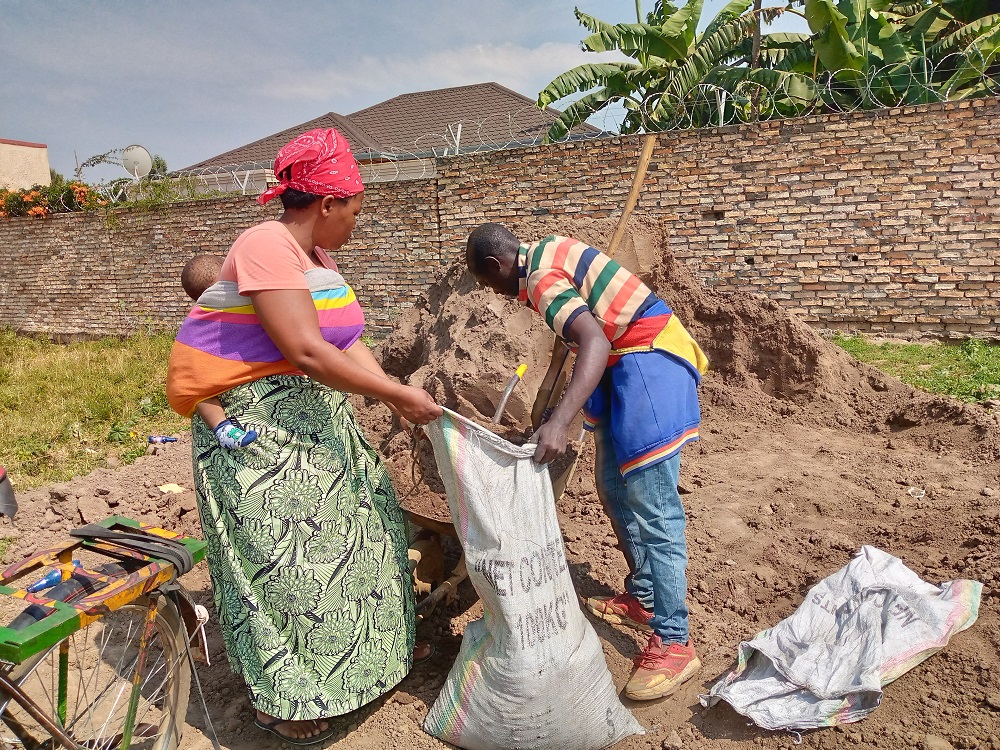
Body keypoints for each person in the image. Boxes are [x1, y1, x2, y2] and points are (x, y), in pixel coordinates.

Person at [167, 128, 441, 745]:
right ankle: (287, 700)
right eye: (354, 212)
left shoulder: (316, 258)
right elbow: (304, 349)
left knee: (364, 531)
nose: (355, 224)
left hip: (312, 420)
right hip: (256, 430)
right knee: (287, 564)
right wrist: (395, 395)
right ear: (326, 204)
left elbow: (345, 341)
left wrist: (394, 396)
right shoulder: (265, 244)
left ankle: (372, 664)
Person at [465, 223, 709, 702]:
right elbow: (587, 336)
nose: (492, 292)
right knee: (614, 487)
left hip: (649, 360)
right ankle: (644, 596)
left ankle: (676, 642)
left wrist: (558, 423)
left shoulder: (539, 277)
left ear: (497, 267)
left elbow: (594, 342)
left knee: (653, 506)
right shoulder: (546, 256)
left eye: (486, 283)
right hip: (625, 361)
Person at [179, 254, 258, 449]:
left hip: (231, 376)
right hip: (228, 379)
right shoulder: (206, 316)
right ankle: (223, 429)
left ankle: (221, 427)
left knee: (198, 393)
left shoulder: (197, 318)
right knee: (197, 391)